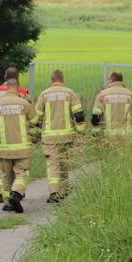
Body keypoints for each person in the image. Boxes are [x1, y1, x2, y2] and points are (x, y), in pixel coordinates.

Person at [32, 69, 85, 203]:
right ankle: (65, 189)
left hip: (50, 138)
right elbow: (79, 115)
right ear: (63, 79)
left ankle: (54, 192)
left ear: (51, 80)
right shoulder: (70, 93)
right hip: (67, 136)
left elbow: (35, 117)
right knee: (64, 163)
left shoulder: (44, 94)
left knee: (53, 164)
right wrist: (80, 134)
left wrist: (35, 134)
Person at [0, 72, 37, 213]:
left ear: (6, 87)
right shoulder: (25, 103)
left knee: (6, 174)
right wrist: (35, 138)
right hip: (22, 147)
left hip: (3, 148)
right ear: (17, 87)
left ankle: (8, 203)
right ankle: (16, 193)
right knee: (21, 173)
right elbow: (34, 122)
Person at [91, 71, 132, 138]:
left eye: (108, 80)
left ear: (111, 80)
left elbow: (96, 116)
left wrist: (96, 134)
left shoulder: (102, 95)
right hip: (128, 138)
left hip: (108, 137)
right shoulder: (131, 95)